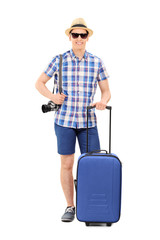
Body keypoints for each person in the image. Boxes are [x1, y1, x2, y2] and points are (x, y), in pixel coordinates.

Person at [35, 18, 111, 222]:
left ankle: (90, 204)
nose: (79, 38)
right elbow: (39, 83)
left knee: (92, 164)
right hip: (64, 121)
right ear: (70, 37)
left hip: (88, 122)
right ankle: (70, 207)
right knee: (67, 164)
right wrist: (52, 97)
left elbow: (106, 92)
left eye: (83, 35)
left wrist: (102, 102)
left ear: (88, 37)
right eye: (75, 35)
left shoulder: (96, 62)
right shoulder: (59, 59)